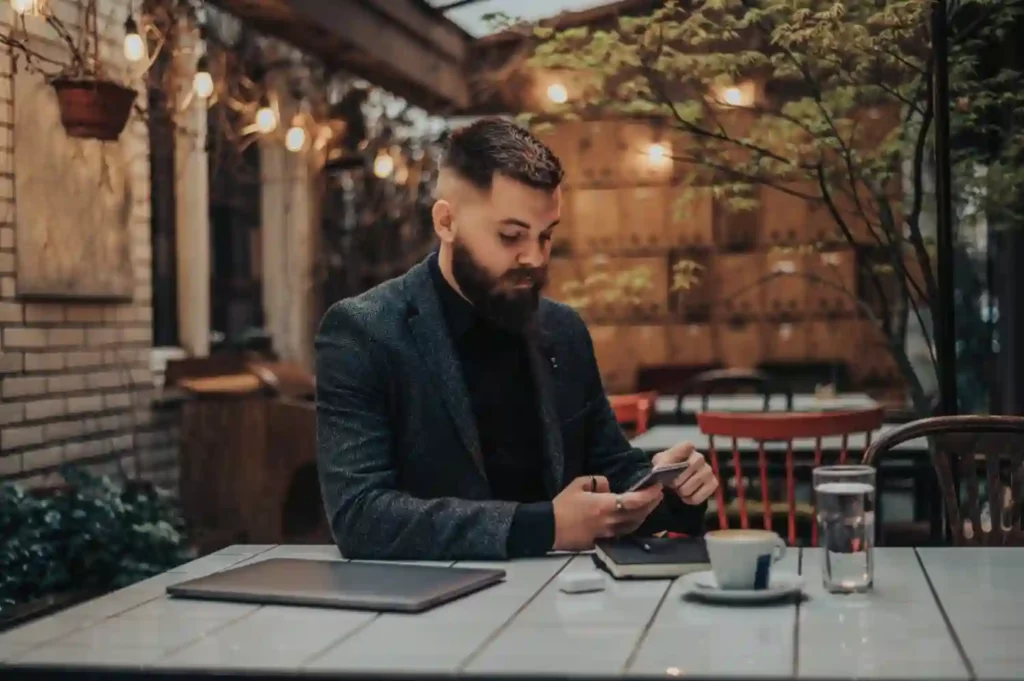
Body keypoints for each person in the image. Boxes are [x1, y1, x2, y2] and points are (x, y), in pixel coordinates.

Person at [315, 117, 719, 561]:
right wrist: (546, 527)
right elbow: (359, 516)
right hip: (424, 610)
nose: (534, 257)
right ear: (446, 222)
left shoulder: (562, 331)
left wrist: (669, 487)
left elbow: (611, 470)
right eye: (510, 236)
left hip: (561, 602)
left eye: (546, 236)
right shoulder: (364, 331)